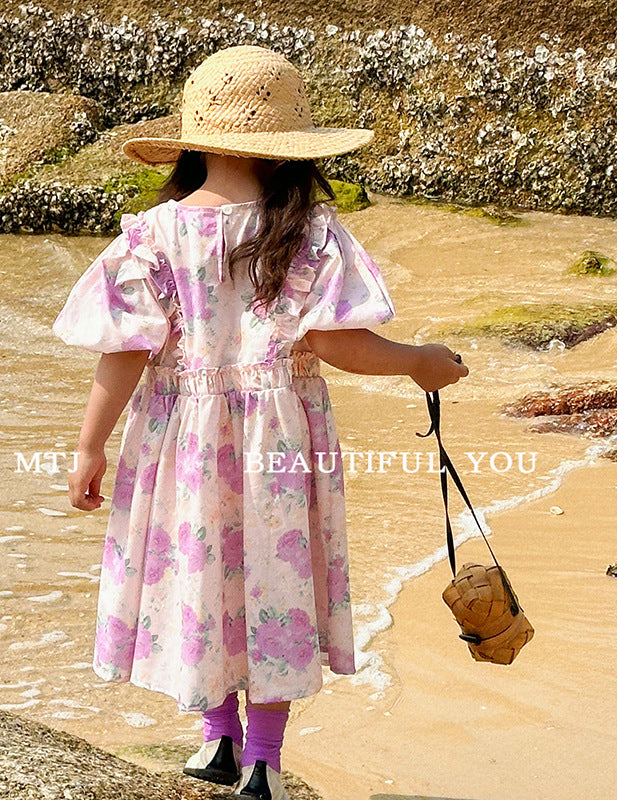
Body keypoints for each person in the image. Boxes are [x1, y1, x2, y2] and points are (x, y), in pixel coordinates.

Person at [51, 45, 468, 800]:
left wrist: (89, 447)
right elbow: (337, 343)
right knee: (274, 582)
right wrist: (418, 360)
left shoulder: (151, 236)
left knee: (201, 575)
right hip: (279, 436)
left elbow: (123, 352)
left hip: (179, 440)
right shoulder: (308, 232)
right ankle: (262, 762)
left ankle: (217, 740)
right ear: (289, 152)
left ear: (192, 141)